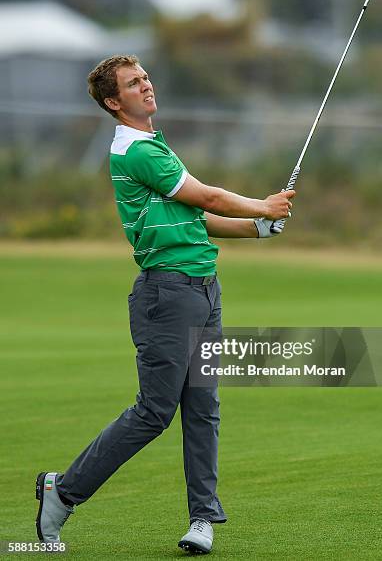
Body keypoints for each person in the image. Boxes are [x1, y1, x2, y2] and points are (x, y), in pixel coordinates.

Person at [35, 54, 294, 555]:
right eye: (134, 84)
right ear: (114, 102)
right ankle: (62, 492)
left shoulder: (154, 144)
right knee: (155, 411)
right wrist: (261, 205)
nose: (147, 86)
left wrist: (256, 227)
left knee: (203, 407)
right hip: (167, 295)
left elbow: (196, 216)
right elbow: (211, 198)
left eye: (146, 77)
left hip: (203, 289)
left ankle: (202, 519)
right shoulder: (137, 152)